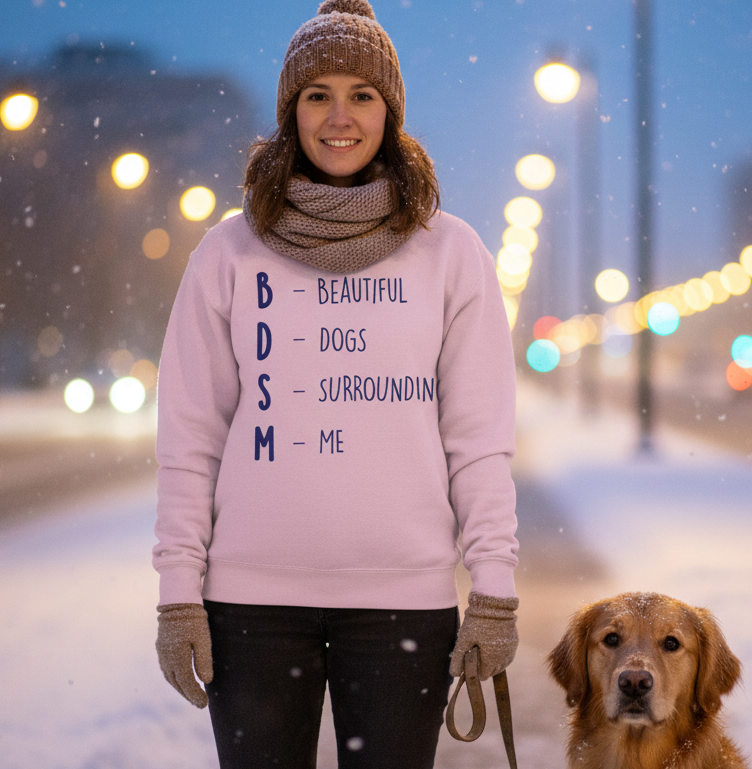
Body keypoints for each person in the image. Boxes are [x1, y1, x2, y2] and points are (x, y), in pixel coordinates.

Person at [152, 1, 519, 767]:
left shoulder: (450, 254)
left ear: (390, 112)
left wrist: (493, 585)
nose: (340, 117)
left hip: (402, 604)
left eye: (362, 94)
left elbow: (478, 440)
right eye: (317, 95)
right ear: (291, 112)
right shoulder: (228, 253)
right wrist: (179, 590)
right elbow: (190, 437)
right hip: (250, 607)